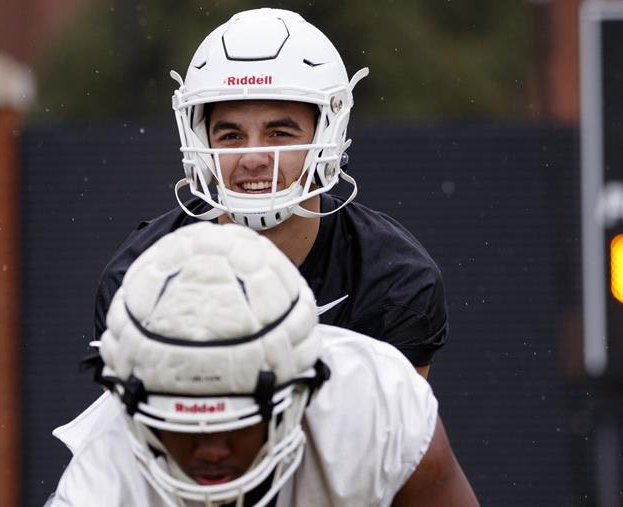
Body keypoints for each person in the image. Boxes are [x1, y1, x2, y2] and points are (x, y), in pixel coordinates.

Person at [94, 8, 446, 378]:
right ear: (200, 140)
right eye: (231, 136)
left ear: (326, 136)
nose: (253, 158)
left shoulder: (392, 280)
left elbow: (400, 432)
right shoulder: (138, 280)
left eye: (279, 133)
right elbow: (132, 434)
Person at [51, 222, 476, 506]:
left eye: (234, 421)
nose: (212, 450)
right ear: (135, 415)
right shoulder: (100, 486)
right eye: (184, 424)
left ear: (301, 391)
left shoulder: (373, 408)